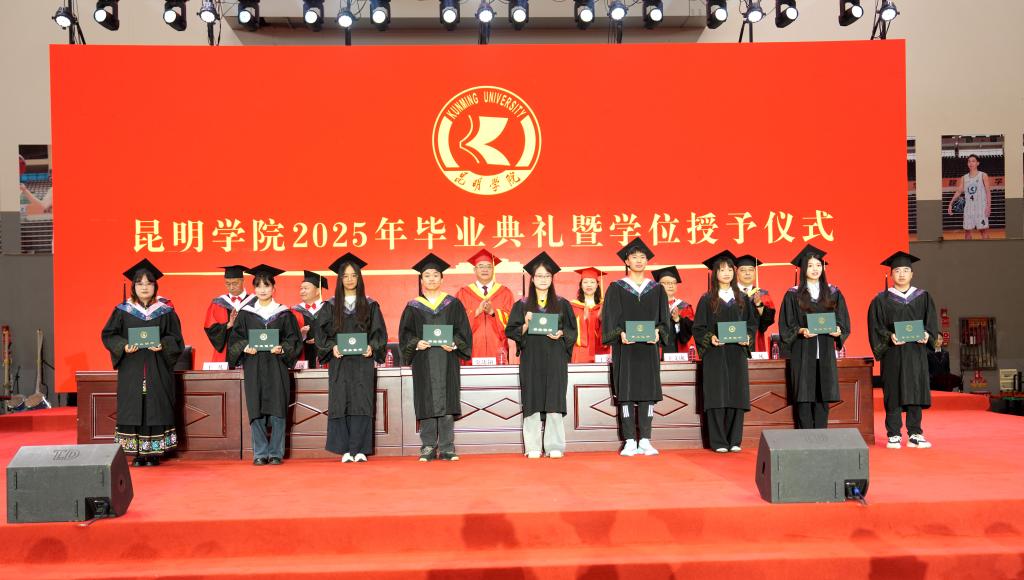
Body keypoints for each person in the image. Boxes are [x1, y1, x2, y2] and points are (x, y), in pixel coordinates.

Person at [101, 259, 184, 467]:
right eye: (140, 283)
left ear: (155, 286)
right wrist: (123, 345)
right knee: (135, 406)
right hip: (132, 368)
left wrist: (163, 344)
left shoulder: (165, 311)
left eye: (148, 283)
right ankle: (138, 454)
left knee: (155, 405)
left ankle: (154, 453)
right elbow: (109, 335)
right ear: (133, 287)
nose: (144, 287)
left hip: (157, 368)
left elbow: (176, 339)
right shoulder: (123, 310)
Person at [601, 237, 671, 457]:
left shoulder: (657, 289)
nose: (639, 260)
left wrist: (659, 333)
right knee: (627, 393)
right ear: (627, 261)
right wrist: (619, 334)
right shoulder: (616, 288)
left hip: (649, 349)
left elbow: (664, 320)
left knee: (648, 393)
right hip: (625, 349)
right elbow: (609, 320)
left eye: (643, 257)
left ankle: (646, 440)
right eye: (634, 257)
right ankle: (630, 440)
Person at [314, 253, 387, 463]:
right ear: (339, 279)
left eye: (353, 275)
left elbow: (379, 333)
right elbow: (320, 334)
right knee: (341, 401)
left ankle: (360, 448)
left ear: (359, 278)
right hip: (340, 362)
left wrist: (372, 347)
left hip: (362, 362)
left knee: (362, 401)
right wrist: (332, 347)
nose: (349, 279)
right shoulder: (330, 306)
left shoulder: (370, 305)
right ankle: (345, 449)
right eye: (345, 276)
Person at [399, 254, 473, 461]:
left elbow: (463, 332)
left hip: (447, 358)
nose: (431, 279)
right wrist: (416, 343)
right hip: (423, 360)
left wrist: (454, 343)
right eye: (427, 275)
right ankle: (428, 446)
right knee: (426, 401)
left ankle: (447, 447)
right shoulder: (413, 306)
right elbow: (405, 335)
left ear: (442, 279)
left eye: (435, 275)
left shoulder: (453, 304)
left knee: (447, 402)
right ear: (421, 280)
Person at [505, 252, 578, 459]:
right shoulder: (522, 304)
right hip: (531, 358)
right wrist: (526, 325)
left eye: (547, 276)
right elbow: (511, 330)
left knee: (554, 398)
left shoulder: (562, 304)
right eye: (539, 276)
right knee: (532, 399)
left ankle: (555, 445)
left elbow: (572, 330)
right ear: (532, 279)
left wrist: (561, 333)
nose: (543, 279)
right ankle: (533, 446)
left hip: (555, 357)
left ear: (552, 279)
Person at [227, 264, 301, 465]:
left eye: (266, 285)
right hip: (254, 366)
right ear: (254, 288)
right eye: (258, 285)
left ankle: (276, 453)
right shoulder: (246, 314)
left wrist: (282, 348)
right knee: (256, 407)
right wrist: (245, 347)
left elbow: (294, 340)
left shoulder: (284, 313)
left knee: (278, 408)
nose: (262, 289)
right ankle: (260, 453)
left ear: (273, 288)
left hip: (276, 366)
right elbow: (235, 340)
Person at [868, 251, 942, 449]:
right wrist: (889, 337)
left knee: (915, 389)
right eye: (897, 270)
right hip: (893, 353)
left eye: (906, 270)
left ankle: (915, 433)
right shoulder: (881, 300)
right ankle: (893, 434)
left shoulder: (923, 297)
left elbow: (931, 323)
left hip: (916, 352)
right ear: (891, 274)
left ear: (912, 274)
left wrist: (927, 335)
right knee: (893, 390)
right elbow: (875, 326)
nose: (901, 274)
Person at [778, 244, 851, 429]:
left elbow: (843, 321)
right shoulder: (793, 294)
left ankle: (821, 434)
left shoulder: (833, 292)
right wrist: (801, 331)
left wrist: (838, 330)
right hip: (803, 351)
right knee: (804, 395)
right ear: (803, 269)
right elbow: (786, 324)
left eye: (818, 265)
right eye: (810, 265)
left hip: (825, 350)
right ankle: (805, 435)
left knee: (823, 394)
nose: (815, 269)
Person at [692, 250, 758, 453]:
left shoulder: (742, 298)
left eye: (730, 269)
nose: (727, 273)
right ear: (715, 273)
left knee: (737, 395)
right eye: (722, 270)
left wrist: (748, 337)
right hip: (715, 353)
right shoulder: (707, 299)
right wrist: (710, 338)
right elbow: (698, 328)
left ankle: (735, 440)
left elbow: (751, 324)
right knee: (717, 395)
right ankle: (719, 441)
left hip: (737, 353)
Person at [456, 249, 514, 363]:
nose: (485, 269)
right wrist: (476, 312)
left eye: (488, 266)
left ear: (493, 270)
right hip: (471, 348)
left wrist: (494, 313)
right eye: (481, 266)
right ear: (474, 270)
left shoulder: (505, 292)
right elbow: (457, 321)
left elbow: (512, 321)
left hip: (497, 347)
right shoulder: (463, 293)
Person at [203, 265, 255, 366]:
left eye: (235, 283)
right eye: (228, 284)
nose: (231, 287)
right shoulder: (218, 303)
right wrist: (228, 325)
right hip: (225, 350)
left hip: (250, 350)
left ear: (242, 281)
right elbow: (210, 328)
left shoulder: (254, 301)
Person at [735, 255, 776, 352]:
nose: (747, 273)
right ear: (736, 272)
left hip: (756, 340)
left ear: (755, 273)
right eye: (743, 270)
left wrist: (759, 304)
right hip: (734, 339)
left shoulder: (762, 294)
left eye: (751, 270)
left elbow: (768, 321)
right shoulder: (728, 294)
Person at [947, 154, 992, 240]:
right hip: (968, 208)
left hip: (981, 208)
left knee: (983, 231)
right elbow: (959, 191)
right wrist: (950, 203)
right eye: (969, 161)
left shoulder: (983, 175)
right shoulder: (964, 178)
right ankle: (968, 248)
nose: (971, 163)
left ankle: (987, 248)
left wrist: (988, 206)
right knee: (967, 232)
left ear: (978, 163)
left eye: (973, 161)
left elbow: (988, 192)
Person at [650, 266, 694, 354]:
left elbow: (691, 330)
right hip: (657, 350)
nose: (671, 285)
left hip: (677, 350)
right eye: (666, 283)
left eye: (673, 283)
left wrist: (678, 319)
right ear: (658, 285)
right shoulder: (651, 306)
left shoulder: (684, 307)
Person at [569, 267, 608, 363]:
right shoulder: (573, 306)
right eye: (585, 282)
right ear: (581, 285)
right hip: (581, 349)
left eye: (592, 282)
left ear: (597, 285)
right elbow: (568, 329)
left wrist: (602, 319)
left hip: (600, 348)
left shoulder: (604, 305)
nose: (589, 285)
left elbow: (613, 328)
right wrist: (583, 318)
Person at [293, 270, 328, 367]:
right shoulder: (294, 311)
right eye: (301, 288)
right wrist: (301, 334)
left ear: (317, 291)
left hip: (325, 355)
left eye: (306, 288)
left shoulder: (328, 309)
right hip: (302, 355)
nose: (302, 291)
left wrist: (321, 339)